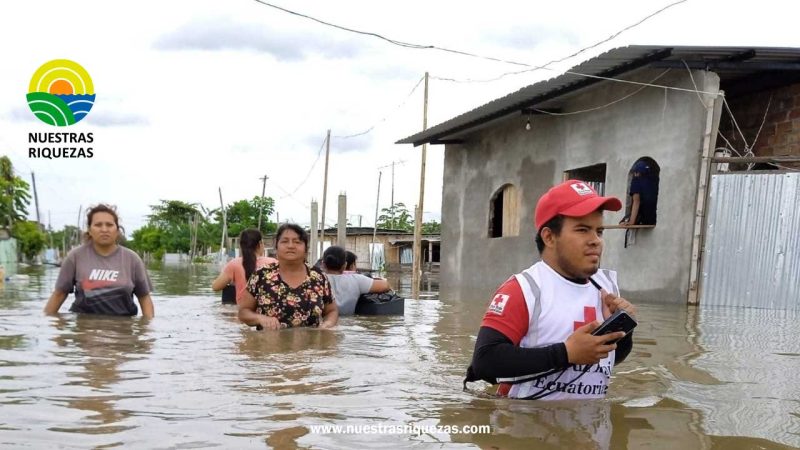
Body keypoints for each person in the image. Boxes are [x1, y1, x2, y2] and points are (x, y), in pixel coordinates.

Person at [465, 180, 637, 400]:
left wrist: (623, 333)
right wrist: (567, 354)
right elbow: (485, 363)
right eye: (583, 230)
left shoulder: (607, 287)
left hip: (590, 428)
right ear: (549, 237)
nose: (596, 241)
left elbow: (611, 359)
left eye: (599, 231)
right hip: (525, 424)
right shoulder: (524, 289)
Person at [44, 204, 154, 318]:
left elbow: (144, 298)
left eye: (109, 225)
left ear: (117, 230)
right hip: (84, 328)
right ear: (90, 230)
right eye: (98, 225)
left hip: (123, 328)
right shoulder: (75, 257)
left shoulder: (132, 259)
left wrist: (147, 330)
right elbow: (59, 294)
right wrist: (48, 327)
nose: (104, 229)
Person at [238, 223, 338, 329]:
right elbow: (243, 312)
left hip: (310, 344)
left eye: (297, 242)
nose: (290, 246)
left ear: (306, 250)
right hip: (268, 343)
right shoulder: (261, 275)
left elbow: (331, 311)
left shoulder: (319, 277)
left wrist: (327, 324)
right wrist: (260, 318)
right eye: (285, 241)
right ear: (276, 247)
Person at [211, 228, 277, 304]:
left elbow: (215, 287)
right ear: (260, 244)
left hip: (242, 311)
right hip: (266, 310)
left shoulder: (234, 264)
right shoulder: (273, 263)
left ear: (241, 245)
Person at [322, 245, 390, 315]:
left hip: (322, 323)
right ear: (345, 265)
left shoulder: (315, 280)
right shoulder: (357, 279)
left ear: (323, 264)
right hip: (349, 324)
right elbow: (385, 285)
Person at [620, 160, 658, 226]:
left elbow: (636, 202)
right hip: (653, 218)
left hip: (643, 218)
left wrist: (631, 222)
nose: (635, 175)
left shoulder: (637, 181)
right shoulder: (654, 180)